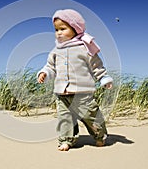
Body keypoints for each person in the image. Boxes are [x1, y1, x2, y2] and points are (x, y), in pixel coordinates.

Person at [37, 9, 113, 151]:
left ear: (75, 29)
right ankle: (66, 140)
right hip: (62, 93)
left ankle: (100, 136)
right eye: (56, 29)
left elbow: (96, 65)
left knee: (91, 116)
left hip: (82, 93)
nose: (58, 32)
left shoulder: (84, 48)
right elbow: (50, 66)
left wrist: (103, 78)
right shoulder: (55, 50)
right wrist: (45, 73)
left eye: (63, 29)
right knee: (65, 118)